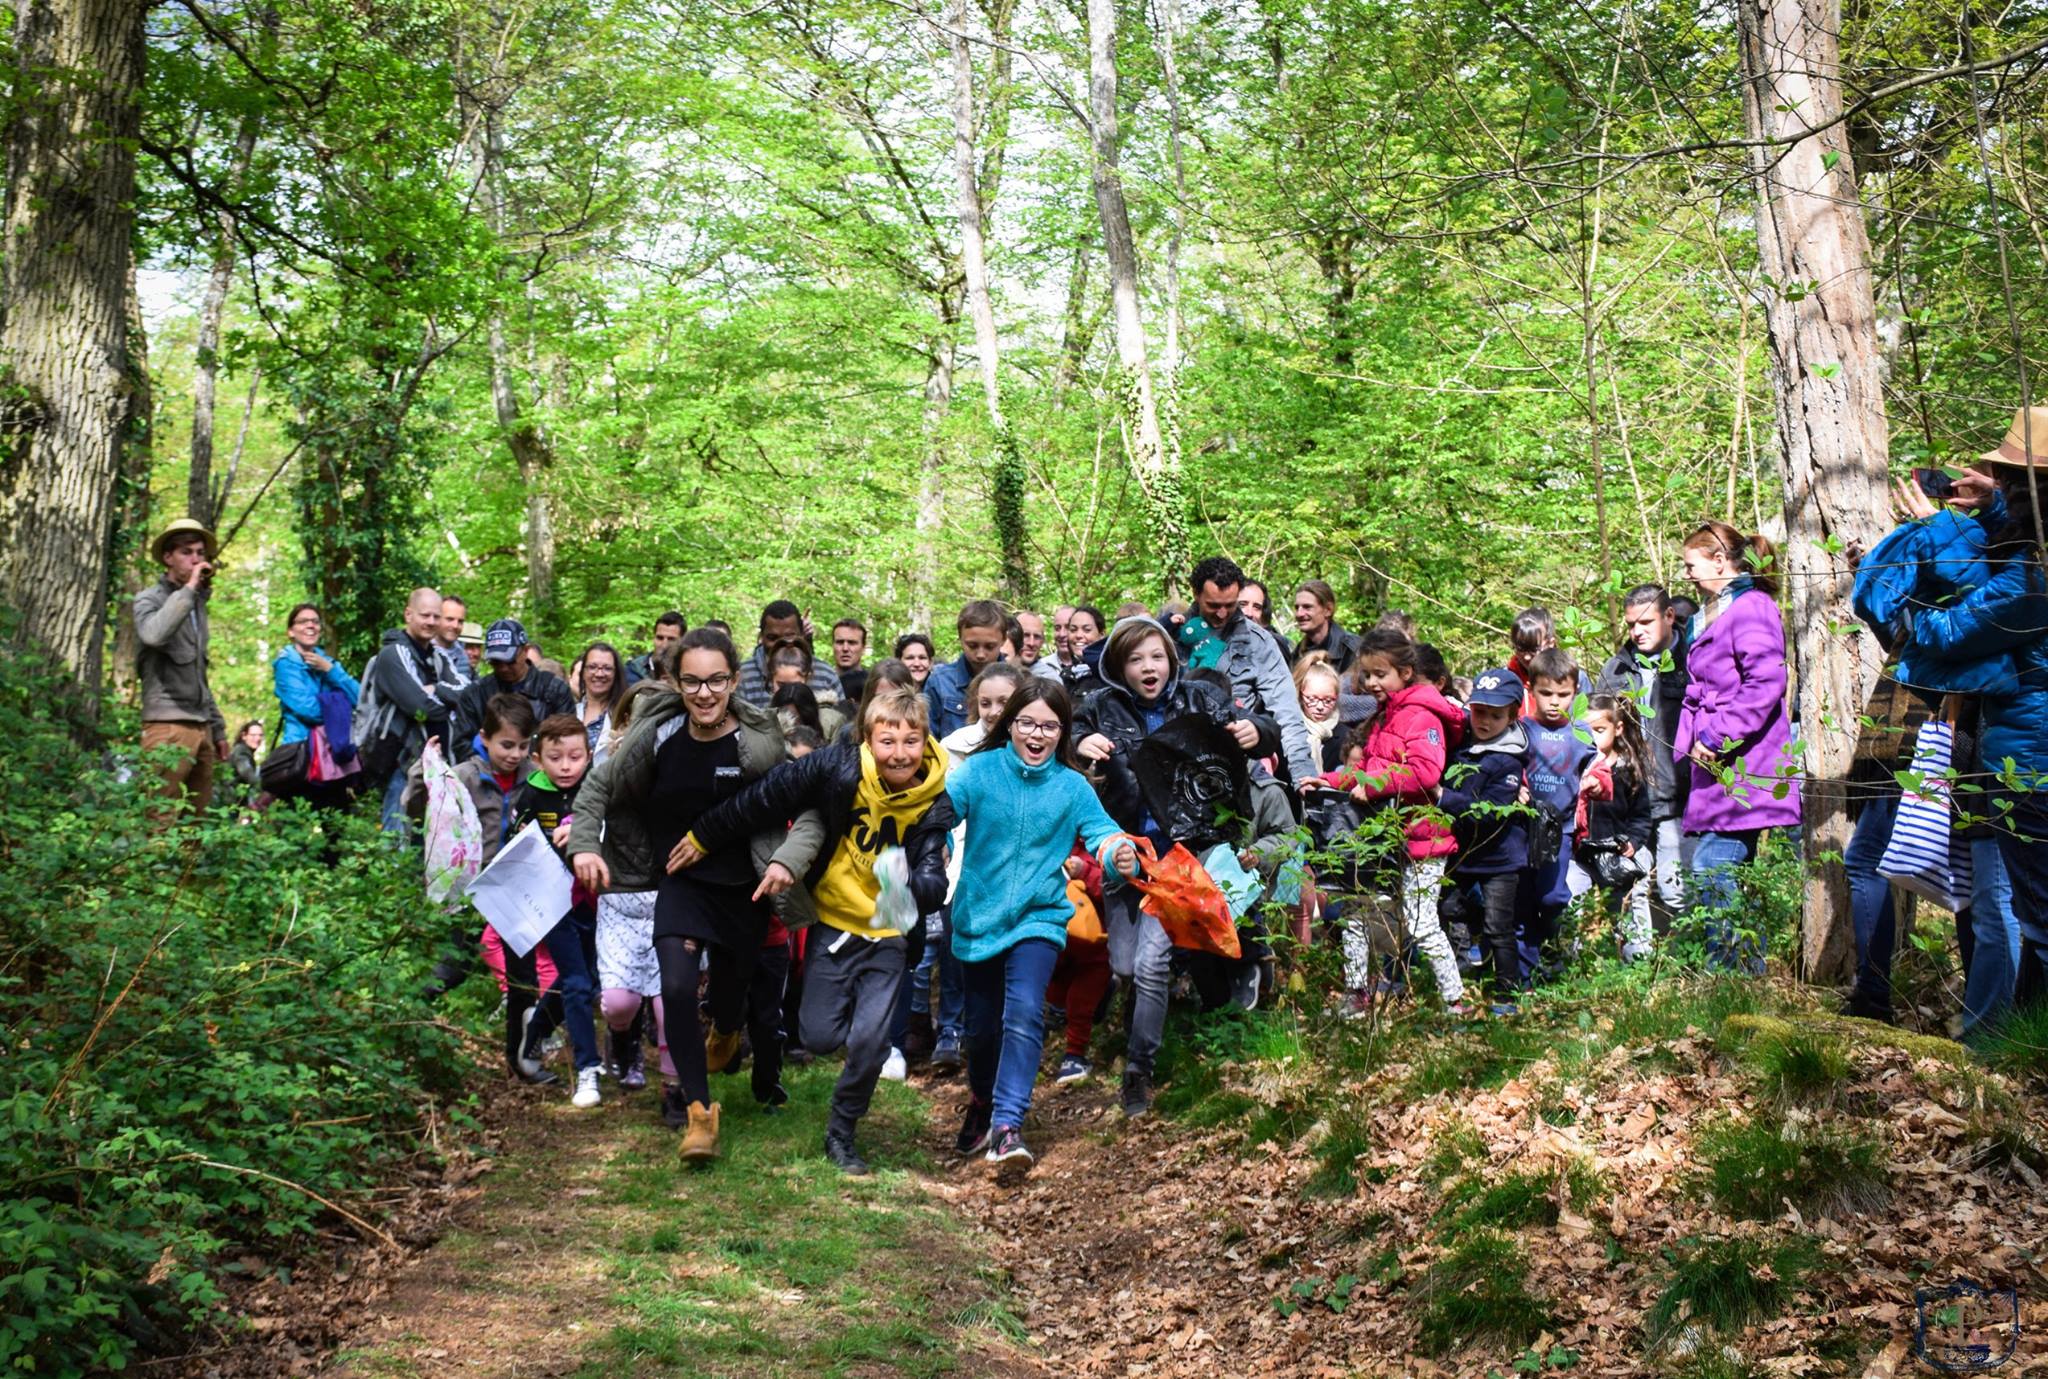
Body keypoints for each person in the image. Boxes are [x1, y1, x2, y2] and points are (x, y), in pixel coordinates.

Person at [671, 683, 954, 1175]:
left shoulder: (935, 799)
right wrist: (703, 834)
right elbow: (765, 796)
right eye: (887, 741)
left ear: (926, 740)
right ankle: (839, 1038)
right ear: (867, 738)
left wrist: (912, 884)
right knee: (819, 1036)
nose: (900, 754)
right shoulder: (837, 767)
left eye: (912, 742)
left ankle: (841, 1132)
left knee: (870, 1043)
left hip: (889, 932)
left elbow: (933, 873)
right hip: (834, 924)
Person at [569, 629, 824, 1163]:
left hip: (744, 891)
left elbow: (808, 811)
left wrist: (786, 860)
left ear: (734, 680)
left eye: (715, 681)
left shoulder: (757, 742)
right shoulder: (656, 733)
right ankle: (699, 1116)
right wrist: (586, 846)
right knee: (678, 988)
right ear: (675, 681)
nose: (704, 694)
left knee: (729, 1001)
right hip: (680, 885)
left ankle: (728, 1028)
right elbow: (598, 787)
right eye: (691, 681)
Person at [1073, 616, 1277, 1116]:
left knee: (1151, 963)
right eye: (1136, 659)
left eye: (1157, 656)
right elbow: (1065, 730)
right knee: (1125, 965)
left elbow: (1258, 728)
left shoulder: (1198, 699)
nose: (1148, 667)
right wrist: (1080, 744)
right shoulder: (1102, 706)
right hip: (1125, 850)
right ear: (1119, 666)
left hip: (1184, 855)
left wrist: (1257, 731)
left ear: (1172, 659)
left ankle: (1138, 1071)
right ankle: (1150, 1018)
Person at [1887, 408, 2048, 1017]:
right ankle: (2024, 1048)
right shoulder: (2031, 550)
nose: (1994, 487)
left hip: (2030, 760)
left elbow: (1954, 631)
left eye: (2007, 480)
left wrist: (1903, 603)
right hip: (2022, 752)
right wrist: (1995, 505)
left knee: (2035, 910)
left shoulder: (2031, 577)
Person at [948, 679, 1139, 1172]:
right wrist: (933, 851)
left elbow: (1101, 834)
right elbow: (940, 818)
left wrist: (1119, 853)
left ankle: (1008, 1126)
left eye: (1049, 726)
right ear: (1010, 724)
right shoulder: (979, 772)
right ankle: (983, 1101)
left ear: (1063, 732)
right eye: (1027, 723)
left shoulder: (1071, 786)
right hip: (979, 916)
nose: (1037, 735)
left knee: (1026, 1012)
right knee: (984, 1029)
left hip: (1040, 916)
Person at [1307, 627, 1468, 1014]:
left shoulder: (1421, 715)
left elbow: (1425, 774)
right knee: (1358, 913)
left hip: (1422, 838)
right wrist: (1326, 780)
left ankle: (1454, 999)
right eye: (1367, 674)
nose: (1372, 682)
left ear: (1405, 673)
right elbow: (1367, 770)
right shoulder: (1384, 715)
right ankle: (1358, 992)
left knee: (1420, 920)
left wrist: (1377, 785)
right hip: (1383, 837)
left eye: (1381, 674)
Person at [1675, 520, 1801, 972]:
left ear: (1720, 561)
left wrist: (1714, 735)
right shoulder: (1713, 611)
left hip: (1745, 762)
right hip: (1716, 764)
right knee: (1719, 863)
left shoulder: (1752, 608)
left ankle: (1731, 976)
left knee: (1715, 864)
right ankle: (1740, 976)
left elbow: (1766, 682)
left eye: (1692, 565)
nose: (1686, 574)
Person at [503, 713, 606, 1108]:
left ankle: (539, 1025)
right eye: (556, 757)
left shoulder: (598, 788)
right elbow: (514, 853)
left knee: (591, 979)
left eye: (576, 757)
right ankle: (587, 1069)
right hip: (551, 903)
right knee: (578, 984)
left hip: (596, 900)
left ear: (589, 755)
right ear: (537, 758)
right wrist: (547, 840)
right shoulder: (529, 796)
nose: (566, 766)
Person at [1436, 668, 1534, 1014]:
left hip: (1500, 859)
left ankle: (1508, 993)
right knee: (1446, 908)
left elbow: (1489, 813)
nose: (1485, 721)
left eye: (1495, 715)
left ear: (1511, 716)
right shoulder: (1463, 745)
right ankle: (1462, 962)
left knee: (1499, 927)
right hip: (1463, 853)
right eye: (1479, 711)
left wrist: (1442, 797)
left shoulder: (1507, 760)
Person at [1595, 584, 1691, 937]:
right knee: (1626, 890)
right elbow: (1597, 731)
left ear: (1669, 617)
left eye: (1646, 622)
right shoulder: (1616, 669)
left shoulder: (1693, 660)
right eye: (1631, 624)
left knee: (1676, 891)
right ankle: (1637, 970)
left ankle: (1686, 970)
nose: (1637, 632)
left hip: (1678, 801)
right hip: (1629, 801)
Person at [1516, 647, 1610, 981]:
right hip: (1522, 830)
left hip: (1562, 832)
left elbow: (1601, 771)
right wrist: (1515, 787)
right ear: (1531, 690)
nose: (1554, 702)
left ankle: (1551, 953)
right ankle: (1524, 977)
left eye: (1563, 694)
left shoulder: (1582, 735)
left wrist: (1598, 784)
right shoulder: (1521, 730)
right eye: (1545, 693)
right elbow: (1506, 767)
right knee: (1522, 901)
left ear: (1575, 693)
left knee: (1554, 897)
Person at [590, 684, 664, 1095]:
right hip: (620, 896)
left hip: (667, 895)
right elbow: (589, 813)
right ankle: (624, 1039)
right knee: (621, 1001)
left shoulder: (681, 759)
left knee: (670, 1001)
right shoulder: (608, 765)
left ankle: (676, 1090)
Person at [1187, 556, 1320, 782]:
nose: (1221, 614)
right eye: (1213, 606)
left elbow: (1286, 710)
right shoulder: (1171, 635)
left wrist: (1303, 773)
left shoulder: (1259, 642)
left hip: (1238, 762)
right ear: (1196, 594)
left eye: (1230, 606)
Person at [133, 517, 230, 809]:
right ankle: (156, 858)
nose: (196, 559)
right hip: (166, 726)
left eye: (201, 553)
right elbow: (153, 635)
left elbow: (198, 675)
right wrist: (189, 589)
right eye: (187, 552)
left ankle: (188, 859)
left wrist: (219, 729)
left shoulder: (196, 607)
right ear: (168, 557)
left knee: (195, 826)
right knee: (160, 819)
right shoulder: (149, 599)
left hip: (202, 728)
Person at [357, 587, 459, 833]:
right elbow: (419, 708)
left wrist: (436, 688)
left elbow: (468, 693)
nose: (431, 622)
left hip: (432, 762)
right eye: (425, 615)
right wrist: (446, 705)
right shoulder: (392, 655)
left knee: (430, 837)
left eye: (436, 616)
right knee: (396, 834)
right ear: (408, 615)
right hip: (396, 761)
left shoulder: (437, 657)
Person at [1579, 693, 1657, 960]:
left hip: (1617, 852)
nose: (1592, 738)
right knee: (1571, 901)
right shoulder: (1575, 766)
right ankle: (1571, 963)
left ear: (1618, 728)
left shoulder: (1627, 770)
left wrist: (1633, 842)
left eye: (1599, 730)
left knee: (1627, 905)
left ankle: (1638, 961)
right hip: (1583, 853)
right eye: (1584, 730)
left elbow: (1641, 816)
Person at [448, 618, 575, 759]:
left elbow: (568, 740)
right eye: (496, 662)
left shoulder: (555, 689)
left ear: (525, 651)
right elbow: (462, 746)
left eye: (510, 661)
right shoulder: (475, 694)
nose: (503, 668)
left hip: (542, 775)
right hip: (489, 776)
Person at [273, 602, 361, 754]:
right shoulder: (286, 665)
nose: (310, 625)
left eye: (315, 621)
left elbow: (360, 698)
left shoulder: (328, 663)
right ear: (291, 632)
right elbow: (309, 710)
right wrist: (343, 710)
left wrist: (330, 670)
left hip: (335, 750)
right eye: (303, 621)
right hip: (302, 751)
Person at [924, 600, 1009, 739]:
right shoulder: (940, 682)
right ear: (960, 638)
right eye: (972, 645)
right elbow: (928, 737)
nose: (980, 654)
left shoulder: (1018, 682)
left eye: (989, 646)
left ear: (1004, 639)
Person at [737, 600, 844, 705]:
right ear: (761, 637)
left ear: (802, 635)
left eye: (789, 637)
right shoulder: (742, 676)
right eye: (772, 638)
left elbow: (844, 719)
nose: (780, 643)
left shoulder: (826, 675)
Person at [1292, 652, 1347, 772]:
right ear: (1300, 695)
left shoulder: (1346, 737)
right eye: (1312, 699)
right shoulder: (1289, 731)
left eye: (1328, 700)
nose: (1320, 706)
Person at [1291, 579, 1359, 672]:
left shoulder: (1351, 649)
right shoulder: (1297, 654)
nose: (1299, 614)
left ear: (1328, 610)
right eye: (1297, 608)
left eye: (1307, 607)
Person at [577, 642, 625, 758]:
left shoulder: (626, 715)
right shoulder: (569, 711)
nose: (599, 674)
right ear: (583, 672)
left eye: (607, 668)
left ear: (616, 674)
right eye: (592, 667)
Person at [626, 611, 687, 686]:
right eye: (660, 638)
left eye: (671, 639)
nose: (664, 645)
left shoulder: (689, 669)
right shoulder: (634, 669)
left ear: (682, 641)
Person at [436, 595, 477, 690]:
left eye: (460, 621)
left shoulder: (463, 654)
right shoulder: (423, 649)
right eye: (449, 619)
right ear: (437, 618)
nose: (455, 625)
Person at [832, 618, 870, 703]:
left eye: (852, 643)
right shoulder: (823, 681)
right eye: (840, 642)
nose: (845, 648)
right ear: (833, 646)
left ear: (863, 648)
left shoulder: (872, 685)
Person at [226, 721, 265, 801]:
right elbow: (246, 772)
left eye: (260, 735)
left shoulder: (245, 750)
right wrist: (264, 789)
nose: (257, 738)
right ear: (244, 736)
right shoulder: (241, 751)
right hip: (229, 798)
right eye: (253, 735)